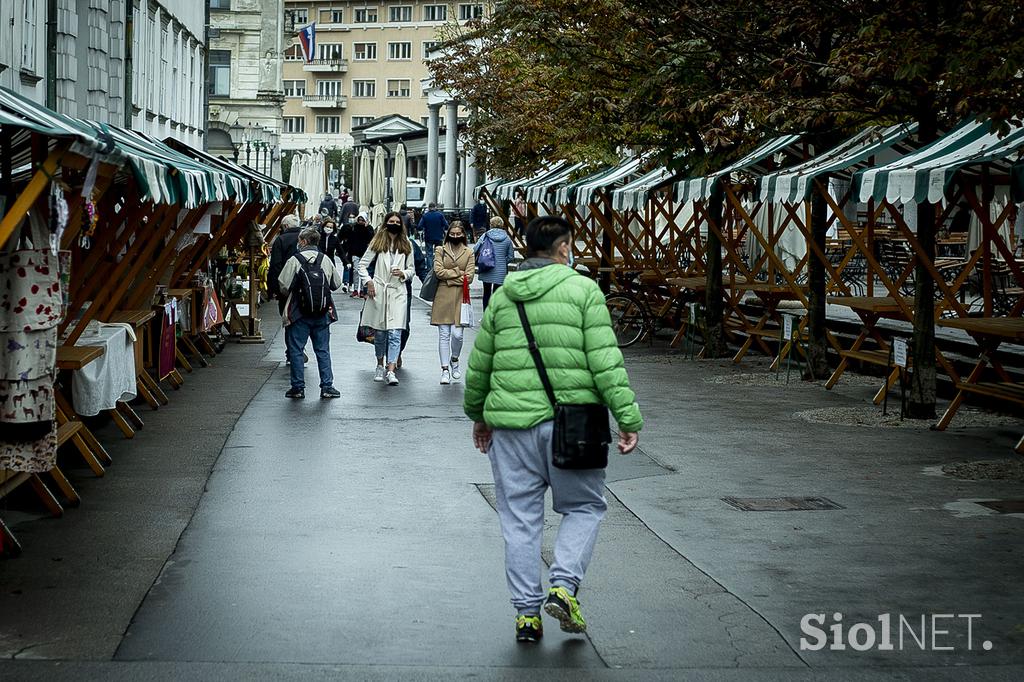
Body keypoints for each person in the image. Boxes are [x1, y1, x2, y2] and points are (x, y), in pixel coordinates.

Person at [463, 216, 642, 644]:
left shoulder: (504, 298)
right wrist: (628, 418)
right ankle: (563, 586)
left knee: (520, 520)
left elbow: (480, 365)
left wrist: (478, 414)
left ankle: (527, 615)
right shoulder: (584, 292)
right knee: (583, 507)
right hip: (573, 425)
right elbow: (605, 363)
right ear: (564, 249)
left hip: (510, 429)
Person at [277, 227, 343, 399]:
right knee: (322, 350)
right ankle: (327, 386)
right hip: (322, 312)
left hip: (298, 313)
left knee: (296, 349)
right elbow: (336, 283)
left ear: (304, 241)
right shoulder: (325, 259)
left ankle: (298, 387)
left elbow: (283, 285)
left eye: (300, 240)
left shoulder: (294, 260)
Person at [358, 213, 415, 386]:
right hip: (379, 291)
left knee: (396, 332)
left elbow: (411, 269)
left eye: (397, 222)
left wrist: (403, 273)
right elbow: (362, 265)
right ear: (386, 223)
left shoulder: (407, 244)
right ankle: (379, 365)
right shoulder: (377, 243)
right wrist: (368, 282)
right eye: (391, 221)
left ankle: (391, 370)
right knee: (381, 333)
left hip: (398, 291)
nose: (394, 224)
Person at [431, 222, 475, 385]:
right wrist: (458, 273)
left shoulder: (469, 252)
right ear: (448, 234)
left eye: (458, 234)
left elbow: (469, 277)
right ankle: (444, 370)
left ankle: (454, 359)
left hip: (461, 297)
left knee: (458, 334)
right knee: (444, 334)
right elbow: (439, 272)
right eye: (453, 234)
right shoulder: (440, 250)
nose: (455, 236)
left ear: (463, 235)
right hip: (442, 295)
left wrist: (451, 276)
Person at [398, 239, 429, 368]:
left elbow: (420, 266)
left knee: (404, 325)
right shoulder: (380, 240)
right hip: (384, 290)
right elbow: (370, 264)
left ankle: (398, 351)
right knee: (384, 326)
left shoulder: (409, 243)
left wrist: (429, 286)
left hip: (404, 289)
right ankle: (388, 354)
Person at [474, 216, 515, 311]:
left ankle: (486, 314)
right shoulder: (507, 239)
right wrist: (502, 262)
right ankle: (495, 315)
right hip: (500, 271)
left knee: (486, 292)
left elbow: (475, 249)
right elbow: (511, 257)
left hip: (487, 267)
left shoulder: (486, 235)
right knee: (498, 295)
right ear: (502, 225)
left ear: (491, 225)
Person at [268, 214, 303, 316]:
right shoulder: (305, 237)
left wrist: (274, 288)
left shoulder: (281, 239)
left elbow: (276, 265)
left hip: (286, 282)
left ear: (286, 226)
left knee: (287, 313)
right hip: (305, 281)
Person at [347, 212, 374, 298]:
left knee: (363, 272)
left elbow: (371, 238)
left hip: (365, 253)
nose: (361, 221)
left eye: (362, 220)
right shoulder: (353, 228)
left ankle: (363, 290)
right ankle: (355, 289)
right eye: (359, 220)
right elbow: (350, 240)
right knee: (355, 271)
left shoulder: (369, 228)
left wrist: (367, 228)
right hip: (355, 252)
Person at [417, 202, 449, 273]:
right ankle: (439, 267)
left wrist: (421, 230)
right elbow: (446, 225)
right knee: (439, 252)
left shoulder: (425, 216)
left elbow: (419, 226)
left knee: (429, 253)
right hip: (439, 237)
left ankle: (430, 269)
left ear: (428, 208)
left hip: (428, 237)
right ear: (435, 207)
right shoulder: (440, 215)